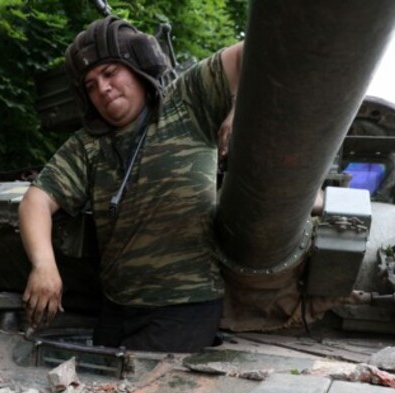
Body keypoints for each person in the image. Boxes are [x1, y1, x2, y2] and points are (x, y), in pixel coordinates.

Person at [18, 16, 243, 352]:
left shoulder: (187, 102)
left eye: (110, 73)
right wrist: (44, 266)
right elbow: (36, 201)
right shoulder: (89, 144)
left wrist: (242, 108)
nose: (103, 89)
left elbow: (259, 52)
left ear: (137, 66)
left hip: (184, 306)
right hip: (115, 307)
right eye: (91, 85)